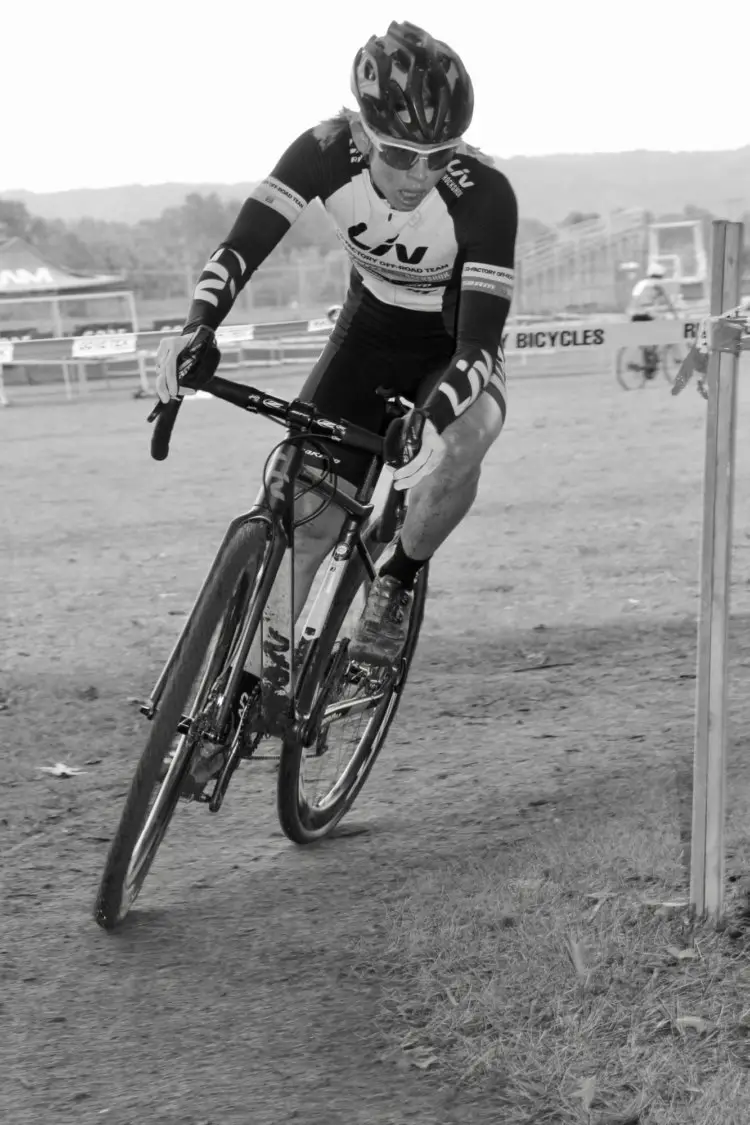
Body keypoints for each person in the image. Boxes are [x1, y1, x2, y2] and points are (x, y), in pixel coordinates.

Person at [155, 20, 517, 688]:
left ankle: (396, 580)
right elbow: (242, 247)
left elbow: (480, 344)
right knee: (307, 521)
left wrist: (434, 416)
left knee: (464, 440)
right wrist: (197, 326)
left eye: (440, 156)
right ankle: (236, 701)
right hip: (367, 332)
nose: (420, 175)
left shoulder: (486, 196)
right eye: (401, 154)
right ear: (360, 133)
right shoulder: (323, 150)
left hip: (451, 342)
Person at [628, 261, 678, 379]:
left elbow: (636, 301)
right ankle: (650, 365)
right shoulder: (656, 284)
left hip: (634, 315)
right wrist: (674, 315)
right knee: (657, 336)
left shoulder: (640, 284)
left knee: (646, 341)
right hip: (646, 315)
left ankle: (647, 364)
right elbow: (667, 303)